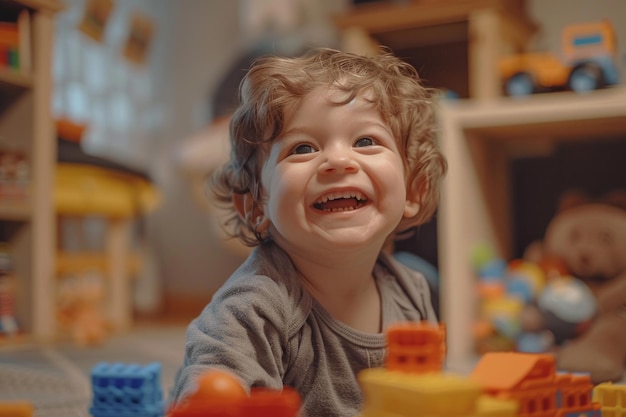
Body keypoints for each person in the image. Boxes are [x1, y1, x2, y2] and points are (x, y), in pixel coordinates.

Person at [170, 47, 447, 417]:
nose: (338, 161)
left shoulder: (412, 294)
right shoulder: (251, 310)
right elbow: (213, 400)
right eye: (302, 148)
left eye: (365, 141)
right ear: (255, 206)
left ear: (414, 189)